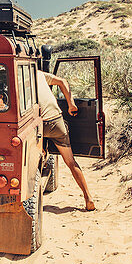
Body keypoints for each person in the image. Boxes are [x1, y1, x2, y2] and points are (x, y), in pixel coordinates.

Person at [36, 68, 96, 211]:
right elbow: (62, 81)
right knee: (70, 161)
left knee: (35, 150)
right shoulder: (40, 74)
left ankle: (41, 157)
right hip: (56, 121)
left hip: (38, 125)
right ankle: (88, 198)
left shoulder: (17, 76)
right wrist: (71, 104)